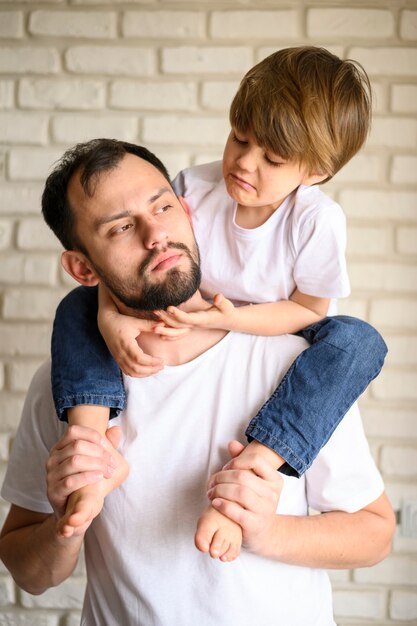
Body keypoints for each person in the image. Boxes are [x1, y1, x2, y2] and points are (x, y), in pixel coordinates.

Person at [0, 142, 395, 625]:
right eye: (122, 227)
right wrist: (66, 525)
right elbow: (30, 573)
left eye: (163, 206)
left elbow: (376, 533)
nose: (156, 234)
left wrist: (265, 531)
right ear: (83, 268)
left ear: (188, 211)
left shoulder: (297, 368)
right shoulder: (65, 388)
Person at [48, 47, 387, 559]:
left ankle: (254, 467)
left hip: (269, 330)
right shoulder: (196, 186)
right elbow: (154, 263)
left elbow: (311, 311)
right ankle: (91, 458)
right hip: (191, 316)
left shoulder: (315, 221)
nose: (244, 163)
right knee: (79, 304)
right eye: (239, 138)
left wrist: (236, 318)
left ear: (315, 172)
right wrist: (110, 318)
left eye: (271, 159)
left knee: (359, 340)